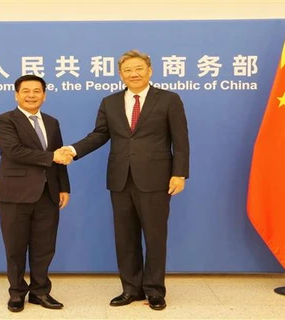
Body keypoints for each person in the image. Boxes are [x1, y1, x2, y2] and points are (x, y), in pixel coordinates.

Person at [62, 49, 189, 310]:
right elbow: (99, 135)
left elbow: (181, 139)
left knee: (155, 236)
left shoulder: (168, 99)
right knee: (125, 236)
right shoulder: (110, 102)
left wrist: (180, 173)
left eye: (139, 68)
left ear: (150, 71)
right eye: (128, 70)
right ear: (120, 75)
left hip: (156, 178)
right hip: (120, 179)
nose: (134, 74)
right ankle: (131, 289)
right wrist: (73, 151)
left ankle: (154, 290)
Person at [0, 74, 73, 312]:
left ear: (44, 95)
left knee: (44, 247)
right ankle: (17, 292)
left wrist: (64, 187)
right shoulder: (4, 120)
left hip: (48, 193)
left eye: (36, 91)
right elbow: (14, 151)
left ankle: (40, 292)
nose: (31, 95)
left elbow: (59, 157)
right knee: (15, 247)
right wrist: (51, 157)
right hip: (14, 194)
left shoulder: (52, 122)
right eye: (25, 91)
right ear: (16, 94)